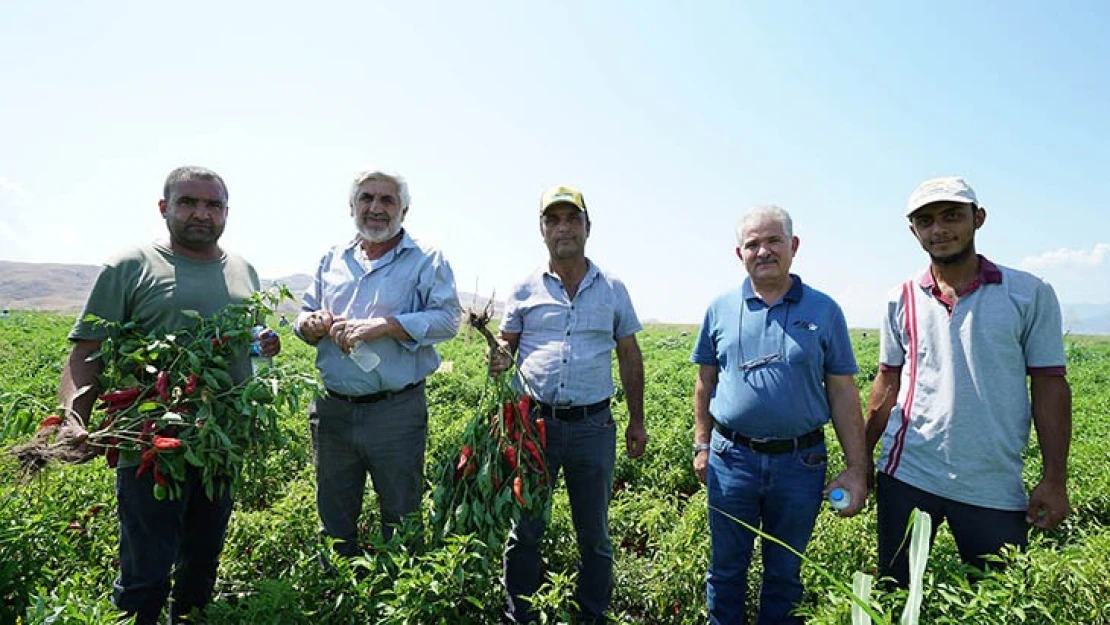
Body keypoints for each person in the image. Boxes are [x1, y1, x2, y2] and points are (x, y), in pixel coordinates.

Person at [54, 166, 281, 624]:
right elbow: (87, 351)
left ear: (226, 212)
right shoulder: (130, 267)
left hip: (219, 443)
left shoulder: (244, 270)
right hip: (149, 443)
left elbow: (246, 341)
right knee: (146, 565)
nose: (202, 213)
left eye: (212, 204)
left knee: (202, 558)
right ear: (165, 208)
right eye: (188, 202)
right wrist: (73, 416)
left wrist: (263, 344)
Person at [866, 177, 1072, 587]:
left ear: (978, 218)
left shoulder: (1028, 294)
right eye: (925, 221)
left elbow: (1050, 387)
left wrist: (1054, 479)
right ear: (914, 232)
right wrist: (860, 464)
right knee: (895, 594)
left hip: (992, 483)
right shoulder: (901, 298)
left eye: (951, 216)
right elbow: (886, 384)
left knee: (996, 599)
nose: (939, 229)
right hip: (907, 475)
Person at [691, 205, 868, 625]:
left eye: (773, 241)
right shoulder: (720, 309)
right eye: (753, 244)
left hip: (800, 463)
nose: (763, 251)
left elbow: (843, 393)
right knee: (726, 570)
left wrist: (858, 468)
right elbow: (705, 382)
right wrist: (702, 444)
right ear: (740, 254)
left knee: (785, 573)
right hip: (731, 459)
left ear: (794, 246)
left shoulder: (824, 311)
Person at [488, 184, 648, 624]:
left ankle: (591, 615)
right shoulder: (523, 287)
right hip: (533, 427)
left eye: (571, 218)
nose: (563, 228)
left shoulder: (612, 288)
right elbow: (507, 345)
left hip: (593, 426)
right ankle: (519, 614)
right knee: (526, 530)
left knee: (593, 533)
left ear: (587, 227)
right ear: (542, 231)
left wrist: (637, 421)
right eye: (553, 220)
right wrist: (498, 354)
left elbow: (630, 355)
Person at [295, 168, 460, 555]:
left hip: (396, 411)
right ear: (352, 206)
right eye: (366, 198)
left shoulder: (426, 260)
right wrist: (313, 323)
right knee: (334, 517)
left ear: (404, 209)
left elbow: (448, 320)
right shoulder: (331, 258)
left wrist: (386, 326)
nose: (376, 207)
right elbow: (302, 318)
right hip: (332, 408)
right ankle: (339, 596)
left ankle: (398, 603)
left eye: (387, 200)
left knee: (401, 514)